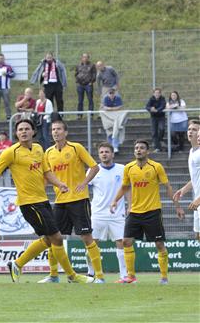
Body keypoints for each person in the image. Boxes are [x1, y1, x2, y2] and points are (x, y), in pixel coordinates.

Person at [0, 119, 93, 283]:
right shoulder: (11, 152)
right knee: (56, 238)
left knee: (49, 239)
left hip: (43, 200)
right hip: (29, 203)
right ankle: (72, 276)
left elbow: (46, 172)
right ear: (16, 133)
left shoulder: (38, 149)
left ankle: (17, 264)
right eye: (20, 129)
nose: (23, 132)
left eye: (27, 129)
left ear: (33, 131)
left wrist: (59, 184)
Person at [110, 139, 185, 284]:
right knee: (126, 241)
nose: (138, 150)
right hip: (134, 211)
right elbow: (125, 187)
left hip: (152, 211)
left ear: (147, 151)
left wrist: (177, 206)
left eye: (142, 148)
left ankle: (164, 277)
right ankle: (131, 276)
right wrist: (115, 201)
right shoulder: (129, 168)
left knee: (159, 244)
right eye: (136, 148)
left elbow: (168, 187)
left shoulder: (156, 167)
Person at [38, 120, 103, 283]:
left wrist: (84, 182)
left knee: (87, 237)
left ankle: (99, 276)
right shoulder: (48, 153)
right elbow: (46, 175)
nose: (55, 132)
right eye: (53, 129)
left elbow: (95, 167)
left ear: (65, 132)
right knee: (53, 238)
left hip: (79, 200)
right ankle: (53, 275)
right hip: (60, 201)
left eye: (59, 129)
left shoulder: (76, 148)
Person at [86, 142, 129, 282]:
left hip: (117, 213)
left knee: (121, 242)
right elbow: (85, 190)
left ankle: (123, 275)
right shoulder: (93, 170)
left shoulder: (122, 169)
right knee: (92, 244)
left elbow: (127, 188)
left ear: (112, 154)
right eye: (101, 152)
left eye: (107, 152)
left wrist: (130, 205)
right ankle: (91, 273)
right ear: (98, 155)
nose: (104, 154)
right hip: (98, 213)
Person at [173, 120, 200, 240]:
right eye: (189, 129)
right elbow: (195, 177)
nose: (191, 132)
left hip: (198, 199)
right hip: (197, 200)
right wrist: (184, 189)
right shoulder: (192, 151)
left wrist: (199, 199)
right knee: (198, 235)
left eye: (194, 129)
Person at [100, 89, 126, 153]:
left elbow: (120, 107)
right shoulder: (106, 98)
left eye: (112, 93)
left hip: (116, 117)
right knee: (109, 131)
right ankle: (111, 147)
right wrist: (113, 109)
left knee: (116, 130)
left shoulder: (118, 98)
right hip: (108, 117)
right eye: (110, 93)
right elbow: (104, 107)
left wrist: (110, 109)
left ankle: (115, 146)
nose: (111, 95)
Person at [74, 53, 97, 119]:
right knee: (80, 100)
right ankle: (79, 115)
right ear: (81, 58)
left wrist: (91, 82)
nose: (85, 58)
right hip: (80, 85)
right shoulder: (78, 65)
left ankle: (91, 115)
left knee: (90, 99)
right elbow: (76, 74)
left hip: (88, 85)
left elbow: (94, 74)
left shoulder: (92, 65)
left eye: (86, 57)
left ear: (88, 58)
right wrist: (77, 81)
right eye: (83, 57)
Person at [146, 88, 166, 152]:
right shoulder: (151, 99)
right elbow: (147, 106)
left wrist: (157, 110)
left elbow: (163, 106)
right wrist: (151, 109)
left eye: (158, 93)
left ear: (160, 94)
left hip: (161, 117)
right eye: (156, 93)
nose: (157, 94)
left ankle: (160, 140)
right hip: (153, 117)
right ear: (153, 94)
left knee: (162, 128)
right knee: (154, 132)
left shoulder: (162, 98)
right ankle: (157, 147)